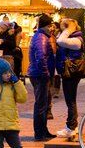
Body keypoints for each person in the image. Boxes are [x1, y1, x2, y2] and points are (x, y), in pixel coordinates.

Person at [53, 18, 85, 139]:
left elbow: (60, 41)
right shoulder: (72, 38)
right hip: (68, 72)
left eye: (63, 28)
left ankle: (70, 127)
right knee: (70, 99)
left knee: (70, 100)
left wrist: (68, 29)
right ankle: (73, 125)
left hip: (71, 73)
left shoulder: (76, 40)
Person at [27, 13, 56, 142]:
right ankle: (39, 133)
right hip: (39, 75)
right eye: (51, 26)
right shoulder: (41, 38)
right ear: (47, 26)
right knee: (41, 104)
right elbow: (41, 57)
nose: (52, 28)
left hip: (40, 74)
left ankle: (44, 131)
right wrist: (45, 75)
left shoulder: (42, 36)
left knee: (44, 103)